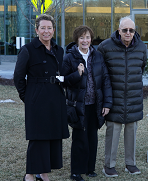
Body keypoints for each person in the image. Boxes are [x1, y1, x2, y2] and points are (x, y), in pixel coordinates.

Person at [13, 14, 70, 181]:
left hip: (55, 98)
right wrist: (29, 97)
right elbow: (18, 77)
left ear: (53, 30)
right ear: (37, 30)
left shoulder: (59, 50)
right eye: (43, 28)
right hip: (36, 100)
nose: (46, 31)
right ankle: (30, 174)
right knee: (38, 138)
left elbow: (62, 74)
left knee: (52, 137)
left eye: (49, 28)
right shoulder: (28, 49)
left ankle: (43, 173)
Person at [97, 16, 148, 177]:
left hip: (133, 97)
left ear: (134, 31)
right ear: (118, 30)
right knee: (113, 132)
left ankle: (130, 163)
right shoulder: (105, 47)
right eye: (124, 30)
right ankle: (109, 166)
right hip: (113, 97)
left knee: (131, 132)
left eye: (131, 30)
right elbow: (99, 72)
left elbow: (142, 67)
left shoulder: (141, 47)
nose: (128, 33)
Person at [62, 25, 113, 181]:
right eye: (82, 37)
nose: (85, 40)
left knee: (92, 137)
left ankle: (90, 168)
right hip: (78, 105)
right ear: (77, 39)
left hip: (95, 104)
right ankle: (76, 172)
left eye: (88, 37)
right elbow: (63, 80)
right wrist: (77, 74)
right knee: (79, 138)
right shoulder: (69, 57)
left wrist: (107, 103)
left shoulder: (97, 56)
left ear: (91, 39)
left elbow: (105, 80)